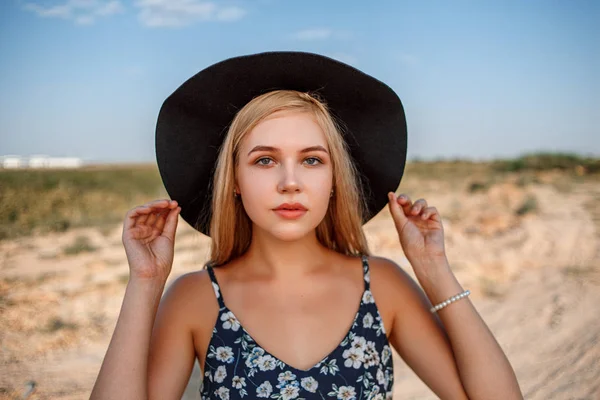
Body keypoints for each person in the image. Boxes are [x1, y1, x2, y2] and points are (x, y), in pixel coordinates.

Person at [90, 51, 522, 400]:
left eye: (312, 160)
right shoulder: (193, 299)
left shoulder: (383, 287)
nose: (290, 183)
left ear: (334, 181)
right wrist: (145, 282)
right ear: (234, 182)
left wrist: (434, 268)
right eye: (264, 160)